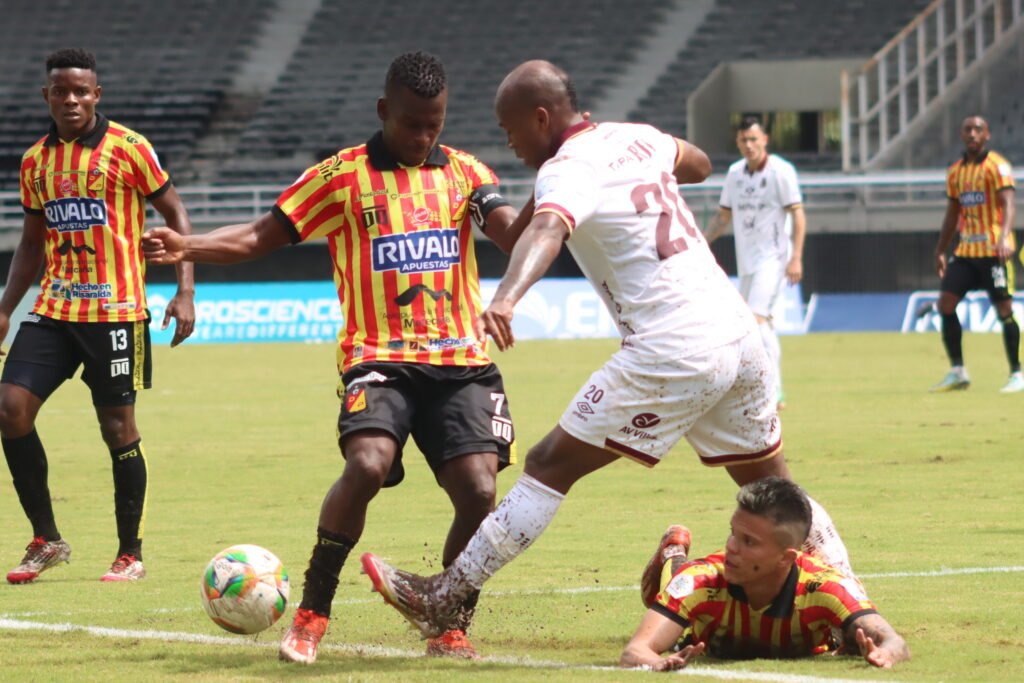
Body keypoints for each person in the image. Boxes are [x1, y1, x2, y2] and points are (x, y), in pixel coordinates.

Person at [360, 60, 857, 639]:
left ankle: (445, 595)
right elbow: (695, 162)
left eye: (510, 128)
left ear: (541, 117)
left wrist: (506, 297)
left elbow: (546, 231)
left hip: (673, 344)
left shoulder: (567, 168)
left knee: (548, 466)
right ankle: (854, 610)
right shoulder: (636, 136)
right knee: (774, 489)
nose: (511, 143)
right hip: (737, 333)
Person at [143, 52, 530, 664]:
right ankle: (312, 612)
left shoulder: (465, 174)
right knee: (369, 464)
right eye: (411, 124)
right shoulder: (340, 177)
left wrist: (558, 197)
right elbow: (258, 238)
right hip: (380, 360)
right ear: (383, 111)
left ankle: (450, 621)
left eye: (435, 124)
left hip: (462, 362)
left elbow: (510, 231)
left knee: (480, 490)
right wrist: (186, 244)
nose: (424, 136)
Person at [0, 48, 195, 585]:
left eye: (81, 91)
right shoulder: (36, 162)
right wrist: (4, 310)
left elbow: (175, 213)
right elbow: (31, 243)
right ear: (47, 96)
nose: (71, 100)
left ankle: (130, 553)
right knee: (10, 409)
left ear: (96, 95)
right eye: (61, 91)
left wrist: (185, 290)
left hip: (117, 313)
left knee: (117, 429)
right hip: (55, 310)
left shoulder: (130, 149)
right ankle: (46, 538)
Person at [620, 477, 910, 671]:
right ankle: (673, 554)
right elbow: (635, 651)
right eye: (733, 533)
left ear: (786, 558)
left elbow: (894, 641)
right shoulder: (702, 580)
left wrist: (883, 654)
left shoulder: (825, 587)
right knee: (679, 578)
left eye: (749, 542)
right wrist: (655, 663)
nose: (731, 547)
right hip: (690, 583)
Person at [705, 116, 806, 409]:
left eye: (753, 139)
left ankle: (774, 392)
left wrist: (796, 257)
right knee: (753, 326)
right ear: (737, 142)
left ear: (765, 140)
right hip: (747, 261)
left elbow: (798, 215)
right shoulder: (735, 173)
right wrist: (700, 242)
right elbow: (723, 217)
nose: (748, 145)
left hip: (774, 259)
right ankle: (759, 387)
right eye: (743, 140)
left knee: (757, 322)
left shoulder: (781, 172)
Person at [931, 115, 1020, 393]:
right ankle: (958, 371)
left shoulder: (998, 167)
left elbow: (1008, 205)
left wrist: (1005, 236)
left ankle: (1017, 372)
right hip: (967, 251)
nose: (972, 134)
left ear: (987, 135)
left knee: (1004, 310)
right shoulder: (956, 172)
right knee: (945, 304)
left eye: (978, 129)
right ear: (961, 135)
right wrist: (941, 250)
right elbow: (952, 214)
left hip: (995, 251)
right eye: (967, 129)